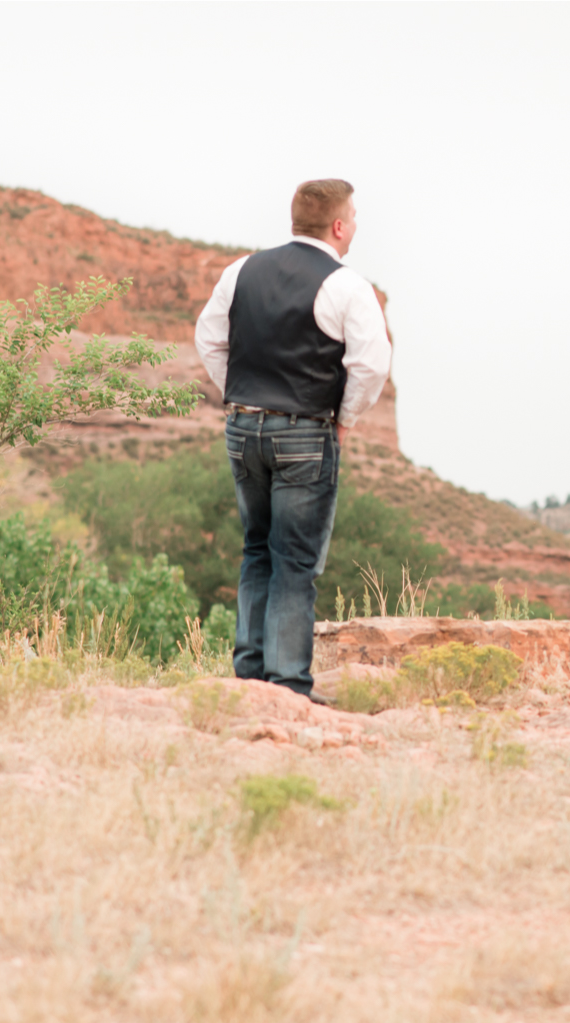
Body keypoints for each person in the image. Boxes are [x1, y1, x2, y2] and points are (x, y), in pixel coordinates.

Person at [196, 179, 392, 701]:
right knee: (295, 560)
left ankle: (250, 677)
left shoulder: (240, 270)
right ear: (338, 225)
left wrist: (238, 397)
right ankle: (285, 688)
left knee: (256, 549)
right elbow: (371, 365)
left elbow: (210, 339)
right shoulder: (348, 285)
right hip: (307, 431)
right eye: (353, 216)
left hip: (242, 427)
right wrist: (344, 417)